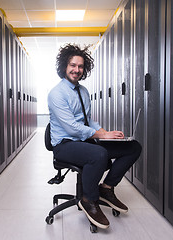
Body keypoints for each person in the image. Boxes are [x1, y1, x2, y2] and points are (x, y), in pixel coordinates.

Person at [47, 43, 142, 229]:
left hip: (84, 141)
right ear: (64, 67)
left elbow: (87, 120)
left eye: (80, 66)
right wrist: (101, 135)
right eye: (72, 65)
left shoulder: (83, 91)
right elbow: (73, 128)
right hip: (65, 145)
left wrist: (107, 133)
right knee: (98, 154)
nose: (76, 70)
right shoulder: (56, 94)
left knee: (133, 147)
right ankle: (89, 200)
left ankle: (106, 189)